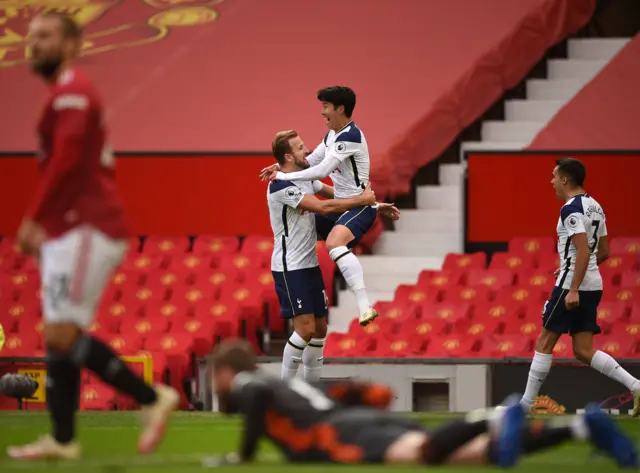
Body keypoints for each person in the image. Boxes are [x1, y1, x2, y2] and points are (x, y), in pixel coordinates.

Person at [7, 12, 178, 461]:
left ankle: (150, 398)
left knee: (62, 333)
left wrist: (33, 218)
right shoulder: (64, 94)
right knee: (58, 334)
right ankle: (64, 439)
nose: (34, 44)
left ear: (72, 44)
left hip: (88, 225)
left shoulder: (73, 93)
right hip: (69, 227)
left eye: (45, 37)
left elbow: (65, 163)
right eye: (32, 38)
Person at [204, 339, 638, 468]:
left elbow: (257, 396)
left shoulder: (248, 383)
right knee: (467, 456)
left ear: (227, 372)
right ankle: (582, 428)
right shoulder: (286, 386)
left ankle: (494, 414)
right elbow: (338, 390)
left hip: (341, 432)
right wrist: (365, 394)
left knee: (424, 455)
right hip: (354, 418)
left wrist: (242, 456)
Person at [269, 131, 399, 381]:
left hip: (309, 264)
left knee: (319, 329)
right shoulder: (280, 186)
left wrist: (372, 206)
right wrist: (361, 199)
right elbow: (322, 207)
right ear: (288, 156)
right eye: (299, 148)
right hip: (289, 267)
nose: (306, 150)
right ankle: (283, 390)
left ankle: (312, 389)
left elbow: (334, 196)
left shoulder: (303, 177)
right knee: (305, 329)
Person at [520, 158, 640, 417]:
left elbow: (584, 250)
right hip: (594, 284)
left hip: (571, 286)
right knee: (583, 350)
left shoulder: (570, 209)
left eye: (554, 176)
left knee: (544, 341)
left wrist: (573, 285)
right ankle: (636, 385)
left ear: (565, 179)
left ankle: (525, 406)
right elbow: (604, 250)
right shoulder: (596, 207)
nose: (551, 181)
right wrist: (576, 268)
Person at [260, 87, 380, 326]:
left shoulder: (350, 136)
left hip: (356, 207)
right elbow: (309, 162)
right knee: (302, 223)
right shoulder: (333, 136)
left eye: (326, 107)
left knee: (334, 242)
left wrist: (282, 176)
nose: (322, 112)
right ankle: (297, 269)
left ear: (340, 109)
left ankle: (364, 305)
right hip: (345, 206)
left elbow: (322, 170)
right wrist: (279, 165)